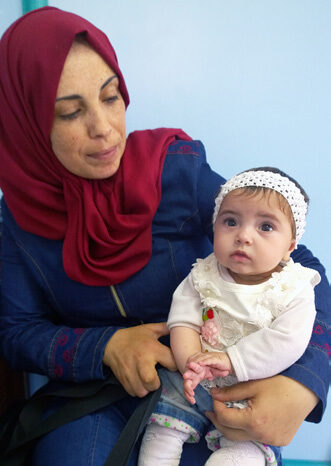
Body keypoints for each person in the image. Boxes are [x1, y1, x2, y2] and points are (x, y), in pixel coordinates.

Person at [0, 6, 329, 466]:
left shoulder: (175, 171)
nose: (104, 128)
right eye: (71, 112)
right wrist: (107, 347)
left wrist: (304, 385)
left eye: (111, 97)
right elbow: (17, 331)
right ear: (27, 122)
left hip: (215, 382)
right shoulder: (19, 218)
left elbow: (301, 267)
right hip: (96, 397)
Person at [138, 167, 320, 466]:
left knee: (242, 451)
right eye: (231, 221)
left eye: (265, 227)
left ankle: (236, 456)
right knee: (161, 432)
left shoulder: (294, 288)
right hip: (193, 384)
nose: (243, 236)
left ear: (290, 246)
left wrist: (231, 360)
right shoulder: (204, 274)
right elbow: (182, 321)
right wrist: (191, 362)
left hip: (253, 389)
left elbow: (287, 340)